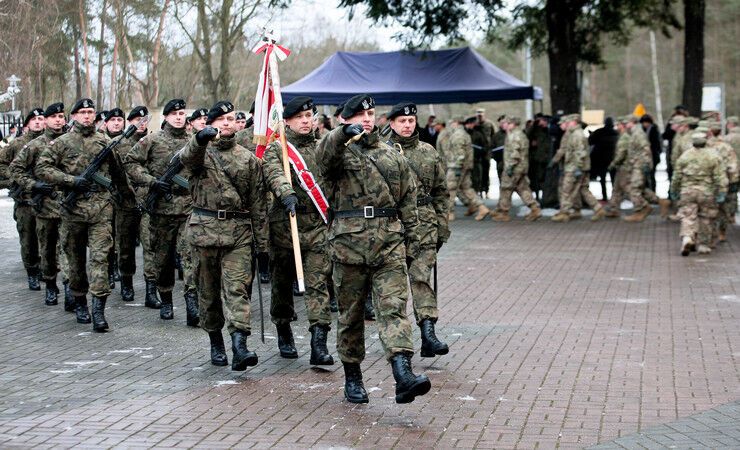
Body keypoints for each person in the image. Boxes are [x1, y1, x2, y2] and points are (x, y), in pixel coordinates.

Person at [315, 94, 431, 404]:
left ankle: (403, 373)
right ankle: (353, 375)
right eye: (359, 114)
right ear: (345, 119)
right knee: (351, 316)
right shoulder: (338, 152)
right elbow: (324, 157)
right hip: (348, 246)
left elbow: (408, 198)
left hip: (388, 245)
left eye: (370, 113)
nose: (367, 118)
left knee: (393, 309)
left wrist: (413, 241)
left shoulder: (391, 155)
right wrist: (343, 135)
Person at [180, 101, 268, 371]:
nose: (227, 123)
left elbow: (258, 204)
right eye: (220, 119)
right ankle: (215, 340)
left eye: (230, 118)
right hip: (204, 231)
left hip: (238, 234)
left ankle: (240, 346)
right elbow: (186, 159)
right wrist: (199, 139)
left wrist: (262, 246)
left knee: (237, 290)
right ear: (210, 123)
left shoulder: (248, 159)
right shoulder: (200, 153)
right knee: (207, 293)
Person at [36, 98, 127, 331]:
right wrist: (71, 181)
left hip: (100, 209)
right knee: (75, 262)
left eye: (90, 112)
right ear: (74, 116)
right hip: (72, 210)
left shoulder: (104, 142)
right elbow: (42, 168)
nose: (87, 116)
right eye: (82, 112)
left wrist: (128, 199)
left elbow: (118, 175)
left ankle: (99, 310)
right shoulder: (62, 142)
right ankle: (80, 302)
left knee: (100, 259)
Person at [262, 96, 334, 365]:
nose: (306, 121)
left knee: (318, 284)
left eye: (309, 116)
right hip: (285, 226)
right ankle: (283, 329)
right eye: (300, 118)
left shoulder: (322, 147)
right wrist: (285, 193)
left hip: (317, 226)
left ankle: (319, 343)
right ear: (288, 122)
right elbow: (273, 174)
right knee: (282, 284)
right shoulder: (277, 149)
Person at [123, 99, 198, 324]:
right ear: (165, 117)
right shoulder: (152, 140)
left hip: (188, 209)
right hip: (161, 211)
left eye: (182, 113)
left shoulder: (194, 142)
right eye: (174, 113)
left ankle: (192, 304)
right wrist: (151, 182)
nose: (178, 117)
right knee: (163, 259)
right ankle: (165, 299)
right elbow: (131, 162)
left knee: (190, 258)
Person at [386, 101, 450, 357]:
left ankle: (428, 332)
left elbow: (441, 192)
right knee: (395, 287)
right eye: (402, 121)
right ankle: (398, 340)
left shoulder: (428, 151)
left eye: (411, 121)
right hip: (394, 227)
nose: (407, 125)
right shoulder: (384, 152)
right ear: (391, 124)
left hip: (425, 225)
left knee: (422, 279)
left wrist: (442, 225)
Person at [9, 103, 69, 306]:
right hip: (44, 206)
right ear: (47, 120)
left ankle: (70, 290)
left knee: (69, 249)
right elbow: (15, 168)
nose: (58, 120)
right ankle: (50, 285)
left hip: (70, 207)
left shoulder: (71, 142)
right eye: (53, 116)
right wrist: (33, 185)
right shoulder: (35, 145)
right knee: (47, 250)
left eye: (61, 116)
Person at [0, 108, 45, 290]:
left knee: (48, 238)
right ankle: (32, 272)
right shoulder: (17, 144)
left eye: (41, 119)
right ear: (27, 123)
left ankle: (45, 269)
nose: (37, 122)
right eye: (33, 119)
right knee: (28, 240)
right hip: (25, 201)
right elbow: (1, 164)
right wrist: (13, 180)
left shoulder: (52, 143)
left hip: (46, 199)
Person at [110, 106, 150, 303]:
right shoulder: (119, 143)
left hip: (148, 203)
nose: (141, 124)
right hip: (125, 203)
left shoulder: (152, 142)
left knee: (150, 246)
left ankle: (151, 289)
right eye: (137, 121)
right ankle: (126, 283)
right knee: (125, 247)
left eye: (144, 121)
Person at [671, 129, 727, 256]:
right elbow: (720, 176)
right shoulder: (713, 156)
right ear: (705, 141)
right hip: (707, 192)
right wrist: (722, 191)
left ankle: (687, 237)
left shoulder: (685, 156)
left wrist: (674, 190)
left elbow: (677, 176)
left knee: (687, 215)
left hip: (687, 191)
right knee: (706, 218)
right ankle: (703, 244)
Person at [550, 114, 606, 222]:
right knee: (583, 189)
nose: (566, 123)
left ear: (574, 122)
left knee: (567, 189)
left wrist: (577, 168)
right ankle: (597, 209)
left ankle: (564, 212)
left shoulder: (576, 135)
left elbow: (580, 153)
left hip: (574, 167)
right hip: (577, 167)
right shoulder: (574, 133)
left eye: (569, 122)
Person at [490, 116, 541, 222]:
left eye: (507, 123)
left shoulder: (515, 136)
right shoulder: (518, 134)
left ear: (513, 124)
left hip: (514, 168)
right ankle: (534, 208)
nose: (505, 125)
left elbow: (515, 154)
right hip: (520, 168)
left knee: (506, 189)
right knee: (522, 189)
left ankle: (504, 212)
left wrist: (510, 167)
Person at [440, 118, 490, 221]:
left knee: (450, 189)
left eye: (451, 123)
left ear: (456, 123)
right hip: (463, 167)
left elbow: (460, 153)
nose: (450, 125)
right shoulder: (463, 133)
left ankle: (450, 214)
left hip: (456, 166)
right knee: (467, 189)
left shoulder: (458, 135)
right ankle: (481, 207)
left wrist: (458, 167)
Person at [705, 120, 739, 243]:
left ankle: (711, 235)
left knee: (709, 209)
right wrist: (732, 181)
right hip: (724, 183)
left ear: (709, 132)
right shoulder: (726, 147)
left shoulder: (706, 146)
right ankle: (722, 232)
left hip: (709, 183)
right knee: (723, 209)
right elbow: (733, 166)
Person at [622, 115, 659, 222]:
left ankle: (641, 208)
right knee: (638, 188)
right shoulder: (635, 133)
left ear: (632, 122)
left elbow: (646, 149)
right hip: (636, 165)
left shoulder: (638, 134)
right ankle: (647, 206)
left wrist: (646, 165)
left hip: (639, 165)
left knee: (634, 188)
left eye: (627, 122)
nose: (625, 125)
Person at [588, 117, 619, 201]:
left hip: (601, 160)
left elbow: (590, 141)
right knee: (613, 180)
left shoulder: (599, 132)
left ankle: (604, 196)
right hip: (613, 160)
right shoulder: (617, 133)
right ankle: (614, 197)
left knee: (602, 179)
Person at [527, 114, 551, 201]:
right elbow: (528, 135)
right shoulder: (536, 130)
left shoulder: (549, 129)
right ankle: (537, 197)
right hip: (538, 158)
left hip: (548, 158)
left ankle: (546, 197)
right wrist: (534, 125)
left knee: (546, 179)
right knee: (537, 179)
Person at [640, 114, 662, 192]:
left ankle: (652, 191)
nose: (644, 125)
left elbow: (656, 144)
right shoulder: (643, 130)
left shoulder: (653, 130)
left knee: (651, 176)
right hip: (646, 156)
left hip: (653, 156)